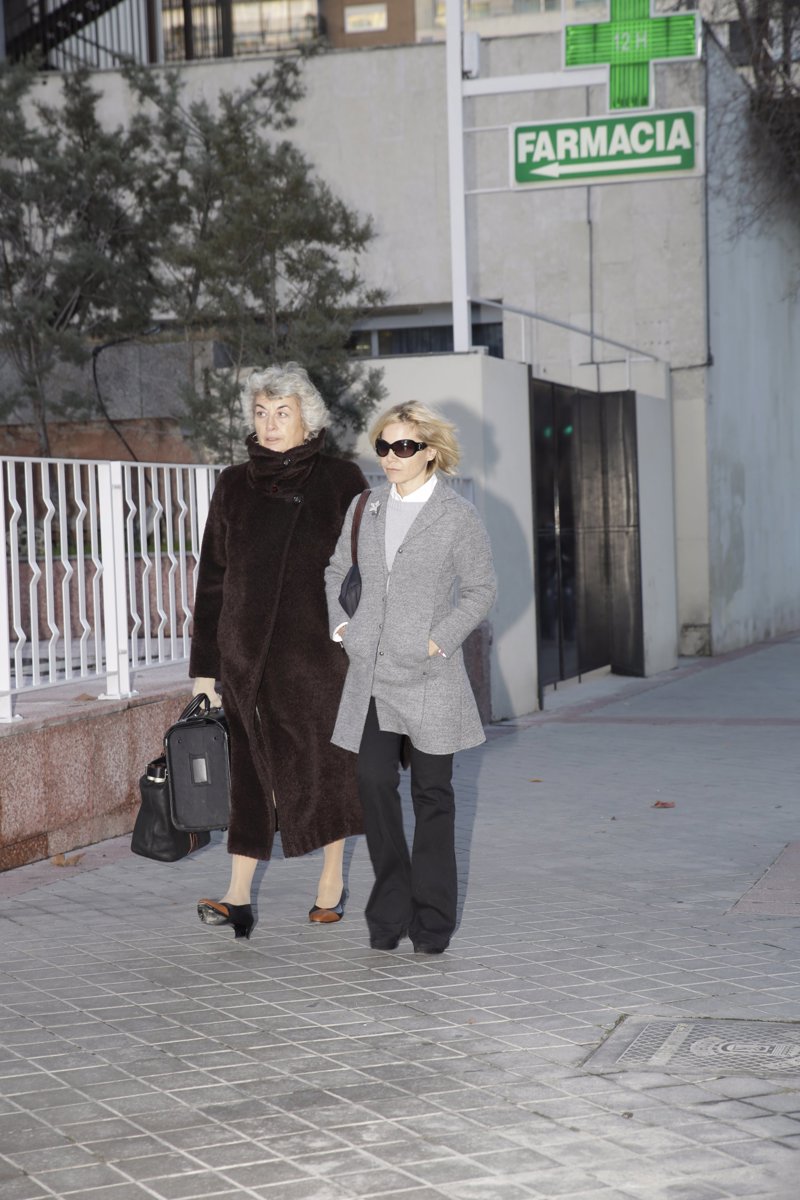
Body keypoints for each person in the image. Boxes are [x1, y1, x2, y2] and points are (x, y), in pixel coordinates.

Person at [189, 363, 368, 939]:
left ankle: (331, 881)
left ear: (307, 420)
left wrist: (357, 636)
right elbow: (213, 580)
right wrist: (205, 672)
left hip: (318, 654)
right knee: (249, 773)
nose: (269, 424)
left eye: (282, 413)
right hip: (246, 655)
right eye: (261, 413)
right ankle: (237, 896)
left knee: (325, 766)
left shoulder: (340, 479)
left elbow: (366, 568)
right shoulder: (232, 485)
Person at [324, 401, 496, 955]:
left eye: (403, 446)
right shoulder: (365, 507)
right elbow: (337, 570)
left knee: (432, 795)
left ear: (430, 453)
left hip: (429, 676)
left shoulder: (457, 516)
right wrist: (343, 626)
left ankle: (432, 922)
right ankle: (391, 904)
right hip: (373, 672)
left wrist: (438, 639)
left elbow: (481, 590)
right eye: (384, 446)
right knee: (373, 781)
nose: (391, 457)